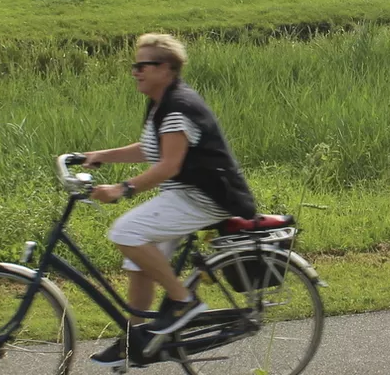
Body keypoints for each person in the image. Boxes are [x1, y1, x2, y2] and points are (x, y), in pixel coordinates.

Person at [79, 33, 259, 366]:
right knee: (140, 262)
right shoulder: (162, 103)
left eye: (143, 65)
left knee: (125, 232)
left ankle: (183, 300)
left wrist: (122, 189)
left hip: (207, 197)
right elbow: (150, 148)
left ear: (167, 69)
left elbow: (169, 165)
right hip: (185, 193)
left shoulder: (179, 107)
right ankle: (135, 341)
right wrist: (101, 155)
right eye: (135, 65)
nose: (135, 71)